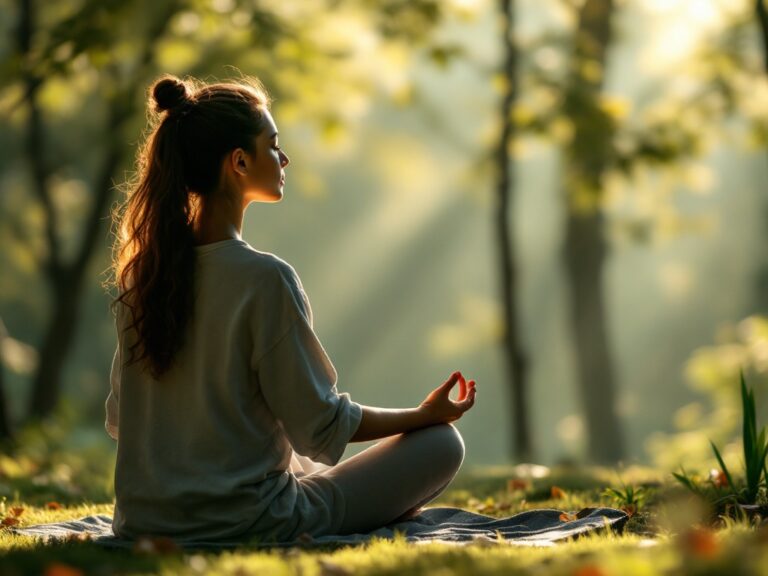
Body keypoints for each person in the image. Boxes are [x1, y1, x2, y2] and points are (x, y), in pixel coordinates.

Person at [105, 74, 477, 543]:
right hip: (250, 521)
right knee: (443, 444)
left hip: (143, 521)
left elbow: (123, 420)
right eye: (273, 145)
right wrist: (424, 415)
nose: (284, 159)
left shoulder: (143, 277)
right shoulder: (264, 278)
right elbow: (321, 428)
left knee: (289, 450)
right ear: (239, 162)